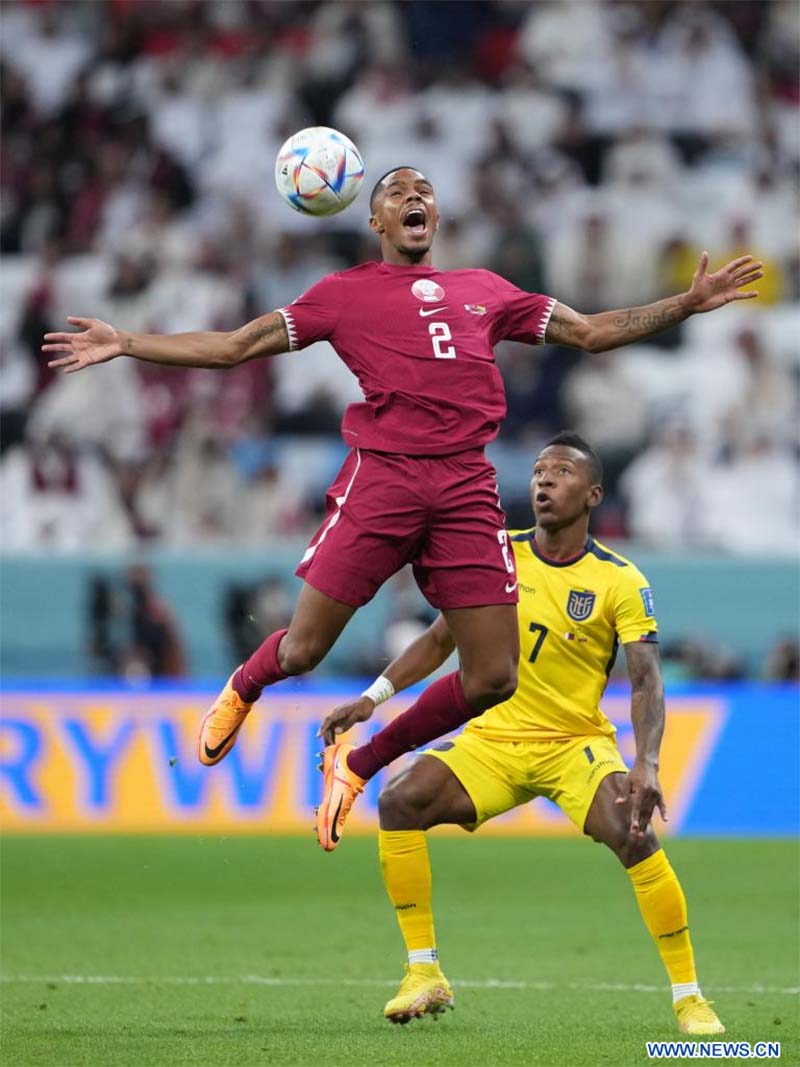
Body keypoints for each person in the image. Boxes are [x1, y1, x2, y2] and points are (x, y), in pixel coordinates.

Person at [42, 166, 762, 787]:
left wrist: (685, 303)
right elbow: (234, 347)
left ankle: (361, 764)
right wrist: (127, 341)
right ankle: (245, 683)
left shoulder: (484, 288)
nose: (414, 196)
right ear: (376, 220)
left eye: (424, 190)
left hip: (465, 485)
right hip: (384, 478)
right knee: (303, 648)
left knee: (494, 677)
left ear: (435, 217)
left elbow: (592, 332)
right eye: (396, 191)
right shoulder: (342, 293)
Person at [318, 433, 725, 1036]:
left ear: (593, 494)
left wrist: (648, 763)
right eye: (538, 471)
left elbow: (646, 681)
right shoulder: (497, 556)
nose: (544, 481)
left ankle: (690, 999)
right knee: (401, 801)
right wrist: (372, 698)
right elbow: (440, 640)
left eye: (561, 472)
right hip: (494, 741)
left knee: (634, 835)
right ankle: (423, 971)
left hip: (574, 745)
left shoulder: (619, 579)